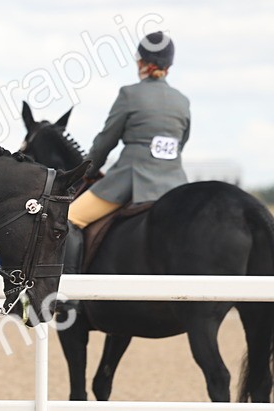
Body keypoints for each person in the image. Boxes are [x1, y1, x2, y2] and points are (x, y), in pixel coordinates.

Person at [63, 31, 190, 273]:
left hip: (130, 181)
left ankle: (71, 295)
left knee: (69, 219)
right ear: (169, 65)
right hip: (175, 184)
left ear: (140, 62)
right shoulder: (182, 101)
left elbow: (105, 142)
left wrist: (88, 171)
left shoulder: (129, 94)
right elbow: (181, 142)